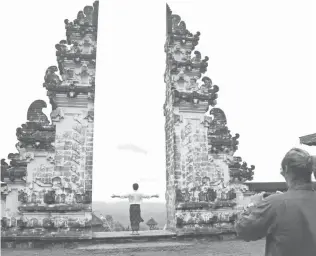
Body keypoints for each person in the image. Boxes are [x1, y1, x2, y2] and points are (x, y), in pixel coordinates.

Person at [235, 148, 316, 256]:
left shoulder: (275, 203)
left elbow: (243, 230)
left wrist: (252, 205)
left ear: (285, 169)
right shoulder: (278, 202)